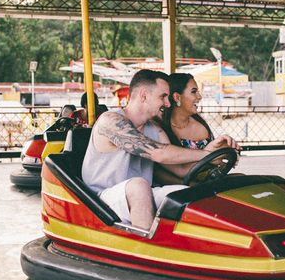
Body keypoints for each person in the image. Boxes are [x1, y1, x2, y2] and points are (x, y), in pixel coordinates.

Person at [83, 69, 236, 231]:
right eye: (163, 96)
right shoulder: (111, 120)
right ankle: (146, 253)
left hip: (143, 194)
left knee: (188, 194)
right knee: (139, 186)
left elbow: (181, 170)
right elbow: (159, 153)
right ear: (143, 95)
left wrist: (212, 154)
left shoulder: (154, 129)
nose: (168, 104)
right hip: (99, 202)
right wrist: (206, 153)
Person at [158, 73, 242, 151]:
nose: (200, 97)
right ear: (177, 97)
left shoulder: (200, 127)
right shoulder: (158, 127)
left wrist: (225, 151)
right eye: (194, 92)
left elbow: (210, 160)